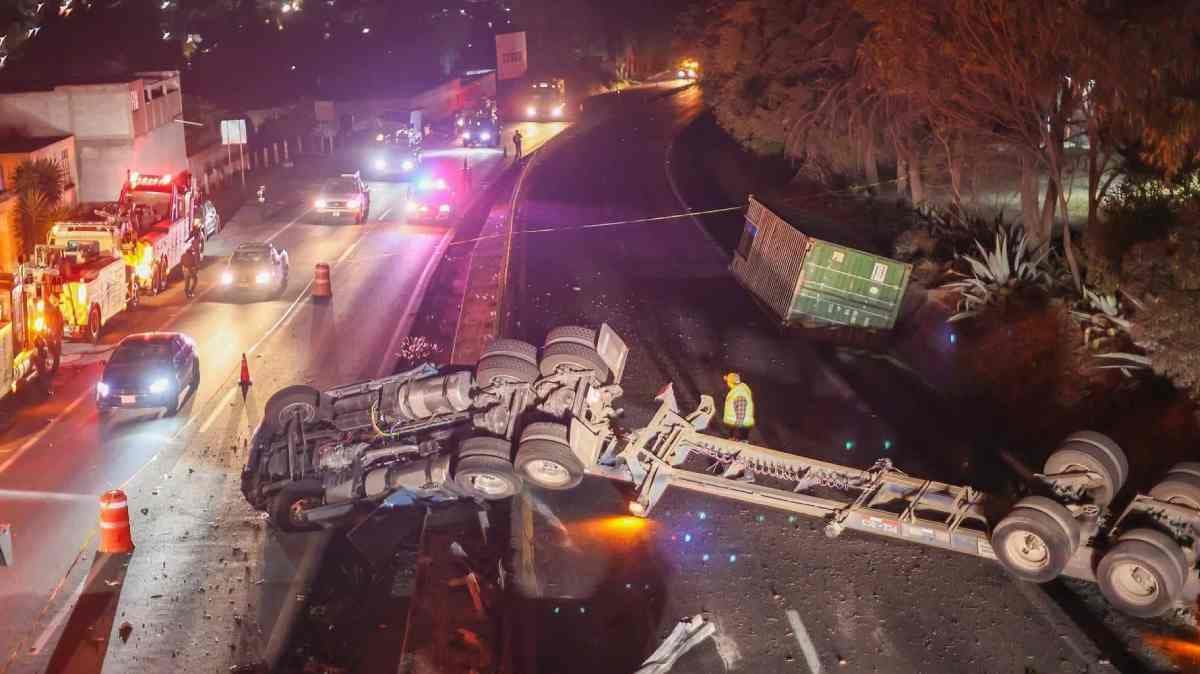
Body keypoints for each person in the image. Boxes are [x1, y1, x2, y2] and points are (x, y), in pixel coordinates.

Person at [722, 372, 755, 442]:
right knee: (739, 441)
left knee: (737, 443)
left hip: (739, 425)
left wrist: (737, 430)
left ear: (730, 382)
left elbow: (741, 409)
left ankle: (739, 440)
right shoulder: (741, 389)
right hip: (740, 424)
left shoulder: (739, 392)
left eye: (728, 382)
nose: (727, 384)